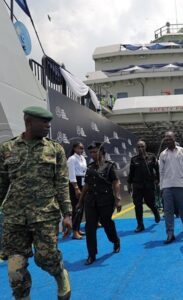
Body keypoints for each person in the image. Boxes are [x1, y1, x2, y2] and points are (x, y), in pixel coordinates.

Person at [0, 106, 72, 300]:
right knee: (15, 267)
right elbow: (1, 184)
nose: (48, 125)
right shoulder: (7, 148)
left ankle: (60, 274)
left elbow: (62, 184)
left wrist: (67, 214)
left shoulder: (55, 149)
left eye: (49, 122)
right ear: (29, 122)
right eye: (44, 122)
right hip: (15, 217)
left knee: (46, 258)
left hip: (45, 215)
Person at [77, 142, 122, 265]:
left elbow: (116, 182)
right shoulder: (90, 167)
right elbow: (86, 185)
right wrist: (80, 201)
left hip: (106, 201)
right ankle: (92, 254)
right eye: (91, 152)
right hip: (91, 201)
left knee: (107, 223)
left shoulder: (109, 166)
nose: (93, 154)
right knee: (90, 227)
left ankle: (115, 240)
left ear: (101, 152)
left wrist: (118, 199)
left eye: (95, 151)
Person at [159, 131, 183, 244]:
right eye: (166, 139)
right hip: (167, 186)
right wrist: (161, 187)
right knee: (168, 211)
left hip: (180, 185)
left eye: (170, 139)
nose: (168, 141)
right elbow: (161, 172)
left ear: (174, 138)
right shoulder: (163, 154)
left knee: (182, 208)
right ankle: (170, 233)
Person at [127, 140, 161, 233]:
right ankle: (140, 225)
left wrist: (158, 179)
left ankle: (155, 212)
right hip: (137, 186)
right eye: (138, 147)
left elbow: (157, 169)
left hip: (149, 185)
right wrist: (129, 184)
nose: (140, 148)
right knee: (137, 205)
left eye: (142, 146)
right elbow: (131, 173)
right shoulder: (134, 159)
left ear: (145, 147)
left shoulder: (152, 157)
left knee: (150, 203)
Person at [67, 142, 87, 239]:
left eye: (82, 148)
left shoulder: (83, 158)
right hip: (75, 184)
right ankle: (74, 232)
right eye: (79, 148)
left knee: (81, 208)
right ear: (74, 148)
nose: (81, 150)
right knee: (76, 207)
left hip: (83, 183)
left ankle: (78, 228)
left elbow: (84, 172)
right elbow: (71, 175)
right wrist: (76, 188)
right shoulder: (71, 159)